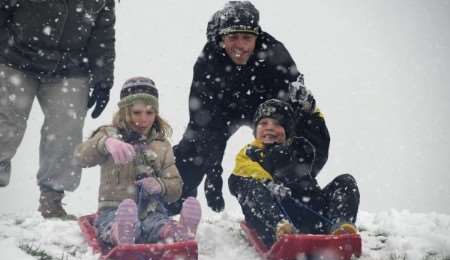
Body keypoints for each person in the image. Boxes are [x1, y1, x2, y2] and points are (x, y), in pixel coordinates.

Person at [171, 1, 330, 214]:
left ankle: (293, 201)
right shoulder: (208, 61)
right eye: (233, 38)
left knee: (301, 139)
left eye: (247, 38)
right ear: (221, 39)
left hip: (270, 108)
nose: (240, 46)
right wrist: (213, 172)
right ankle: (168, 206)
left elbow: (300, 117)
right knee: (192, 148)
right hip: (225, 109)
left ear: (257, 37)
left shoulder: (274, 53)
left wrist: (294, 173)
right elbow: (203, 125)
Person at [0, 0, 116, 219]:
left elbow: (103, 33)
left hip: (70, 66)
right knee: (5, 126)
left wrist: (103, 79)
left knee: (66, 133)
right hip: (15, 58)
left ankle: (52, 201)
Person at [74, 77, 202, 245]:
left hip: (151, 210)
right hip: (114, 208)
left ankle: (179, 233)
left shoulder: (161, 145)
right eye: (137, 112)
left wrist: (161, 185)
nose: (143, 119)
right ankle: (120, 232)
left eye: (149, 113)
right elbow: (80, 156)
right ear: (125, 112)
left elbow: (176, 187)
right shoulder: (109, 135)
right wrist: (104, 144)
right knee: (112, 223)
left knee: (158, 225)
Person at [228, 99, 360, 247]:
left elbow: (319, 143)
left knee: (346, 181)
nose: (269, 128)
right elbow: (242, 172)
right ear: (255, 130)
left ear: (287, 132)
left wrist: (311, 110)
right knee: (247, 184)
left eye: (277, 124)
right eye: (263, 123)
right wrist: (268, 183)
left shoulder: (299, 148)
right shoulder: (252, 153)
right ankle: (281, 229)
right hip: (277, 211)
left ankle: (340, 229)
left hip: (313, 212)